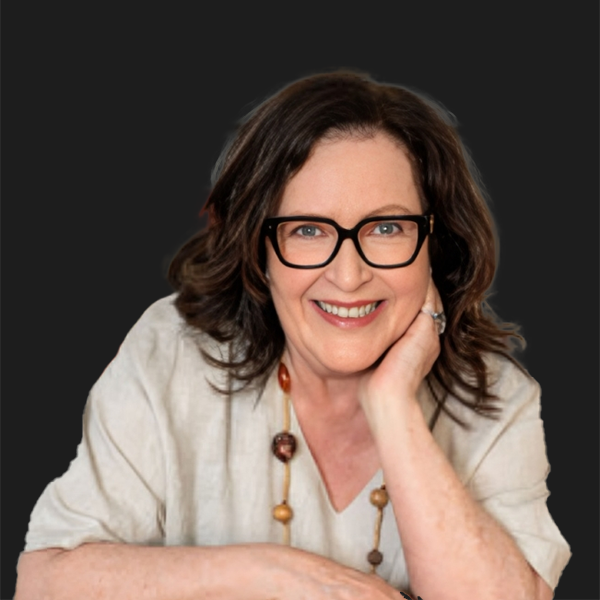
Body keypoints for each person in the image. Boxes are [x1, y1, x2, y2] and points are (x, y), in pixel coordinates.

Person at [15, 71, 570, 600]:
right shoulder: (173, 356)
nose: (348, 276)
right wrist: (280, 576)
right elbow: (43, 584)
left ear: (435, 245)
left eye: (386, 227)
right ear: (260, 251)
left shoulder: (497, 397)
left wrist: (391, 403)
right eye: (307, 230)